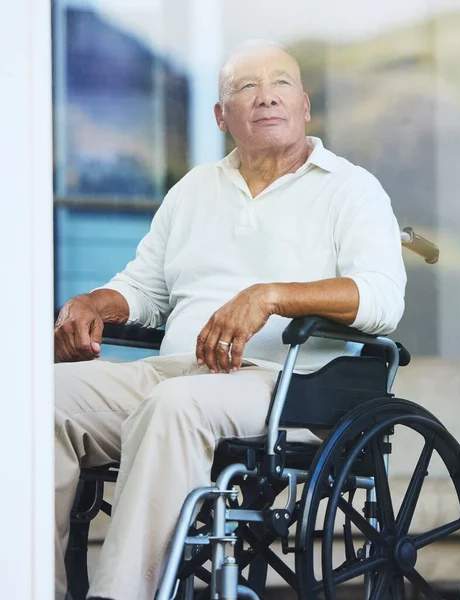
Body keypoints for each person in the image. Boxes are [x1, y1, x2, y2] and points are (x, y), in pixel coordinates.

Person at [54, 39, 406, 600]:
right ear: (222, 115)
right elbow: (143, 288)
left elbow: (381, 298)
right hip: (173, 368)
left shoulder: (351, 189)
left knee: (175, 408)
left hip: (281, 382)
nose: (266, 97)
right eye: (246, 87)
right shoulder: (194, 189)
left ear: (305, 105)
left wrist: (271, 296)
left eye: (281, 83)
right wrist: (94, 304)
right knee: (36, 395)